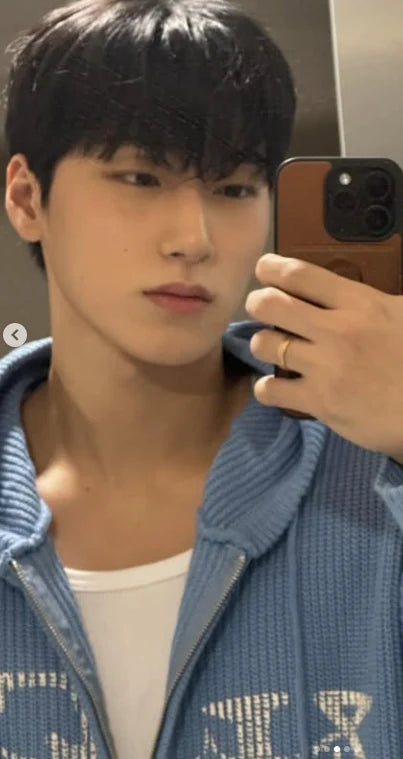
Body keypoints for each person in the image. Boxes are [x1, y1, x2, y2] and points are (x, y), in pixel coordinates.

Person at [1, 0, 403, 757]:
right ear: (27, 198)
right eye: (140, 176)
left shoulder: (371, 464)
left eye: (235, 188)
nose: (194, 239)